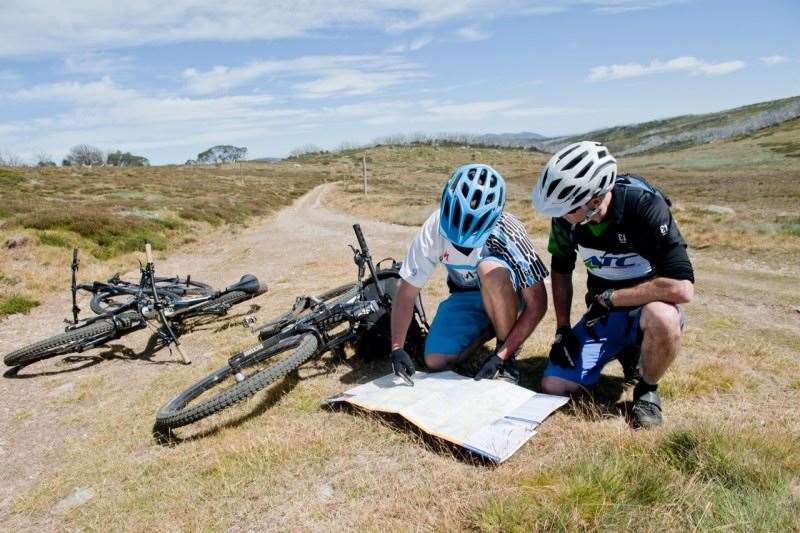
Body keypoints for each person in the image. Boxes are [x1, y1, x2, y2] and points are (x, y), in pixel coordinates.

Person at [532, 141, 694, 428]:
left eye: (567, 209)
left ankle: (647, 389)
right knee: (553, 385)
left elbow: (682, 288)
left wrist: (614, 297)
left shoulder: (643, 205)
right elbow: (561, 269)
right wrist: (562, 329)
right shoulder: (567, 219)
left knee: (664, 317)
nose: (560, 216)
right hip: (602, 313)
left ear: (594, 201)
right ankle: (622, 351)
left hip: (643, 311)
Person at [389, 163, 549, 385]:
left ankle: (506, 348)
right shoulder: (433, 226)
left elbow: (537, 303)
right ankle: (490, 326)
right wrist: (397, 347)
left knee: (489, 271)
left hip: (507, 293)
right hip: (465, 295)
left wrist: (502, 355)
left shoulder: (509, 230)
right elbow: (406, 290)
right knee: (435, 360)